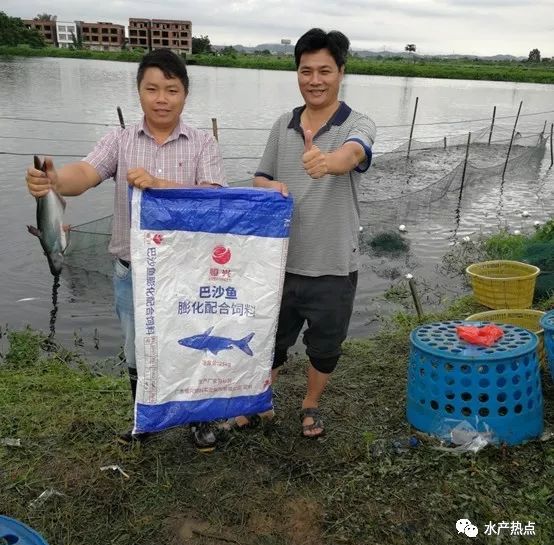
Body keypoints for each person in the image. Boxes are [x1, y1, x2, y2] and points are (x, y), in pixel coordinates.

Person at [25, 49, 226, 451]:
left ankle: (197, 421)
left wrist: (159, 183)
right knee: (137, 352)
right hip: (131, 269)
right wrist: (53, 181)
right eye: (152, 88)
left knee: (192, 344)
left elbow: (215, 200)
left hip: (185, 270)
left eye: (171, 89)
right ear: (139, 92)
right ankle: (145, 421)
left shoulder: (203, 143)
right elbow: (84, 173)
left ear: (185, 94)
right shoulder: (120, 140)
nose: (161, 98)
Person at [245, 28, 376, 437]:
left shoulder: (358, 122)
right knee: (270, 341)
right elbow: (260, 177)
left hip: (334, 263)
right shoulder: (283, 123)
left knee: (325, 346)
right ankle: (259, 401)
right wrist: (272, 186)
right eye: (306, 71)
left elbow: (354, 152)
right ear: (297, 73)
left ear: (341, 72)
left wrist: (329, 162)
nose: (314, 80)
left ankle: (311, 404)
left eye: (324, 71)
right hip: (280, 262)